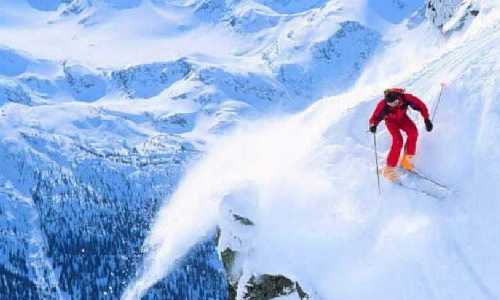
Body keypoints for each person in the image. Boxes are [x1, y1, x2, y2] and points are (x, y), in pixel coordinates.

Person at [369, 88, 433, 181]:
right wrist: (373, 125)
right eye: (390, 104)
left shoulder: (406, 98)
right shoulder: (383, 104)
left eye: (394, 103)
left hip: (403, 118)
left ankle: (406, 160)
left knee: (413, 132)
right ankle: (389, 169)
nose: (393, 105)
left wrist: (426, 119)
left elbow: (421, 105)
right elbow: (375, 116)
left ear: (398, 98)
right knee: (398, 140)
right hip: (391, 122)